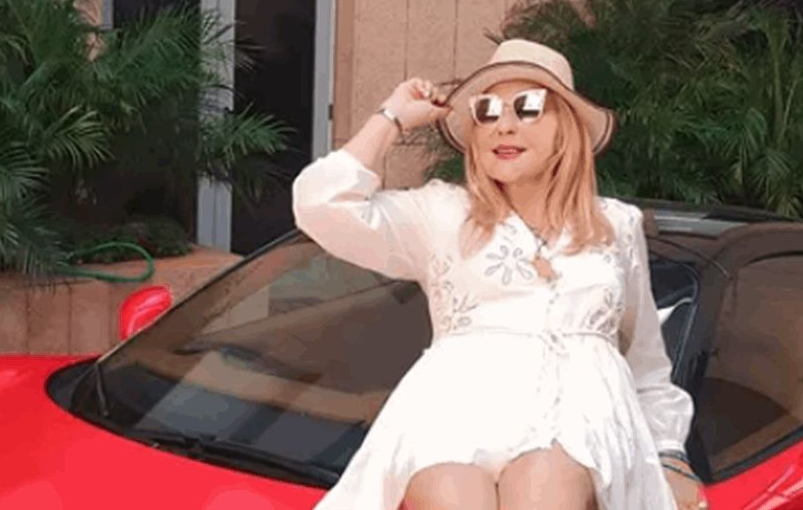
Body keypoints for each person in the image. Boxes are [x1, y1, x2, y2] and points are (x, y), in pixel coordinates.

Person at [292, 39, 708, 510]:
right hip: (450, 422)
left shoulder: (616, 225)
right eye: (486, 111)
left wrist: (670, 454)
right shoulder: (440, 214)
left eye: (528, 107)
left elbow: (646, 362)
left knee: (543, 485)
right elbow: (319, 205)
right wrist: (392, 117)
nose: (503, 125)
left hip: (576, 426)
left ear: (565, 128)